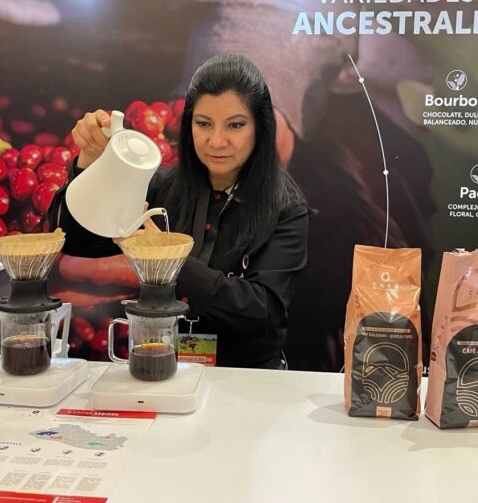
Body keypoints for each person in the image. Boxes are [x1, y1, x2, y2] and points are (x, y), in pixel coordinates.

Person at [50, 52, 309, 369]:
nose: (217, 141)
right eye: (204, 124)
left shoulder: (286, 207)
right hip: (162, 367)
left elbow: (263, 312)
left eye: (235, 125)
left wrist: (169, 259)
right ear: (189, 126)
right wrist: (89, 165)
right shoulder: (162, 186)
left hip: (247, 378)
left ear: (260, 128)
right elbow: (81, 243)